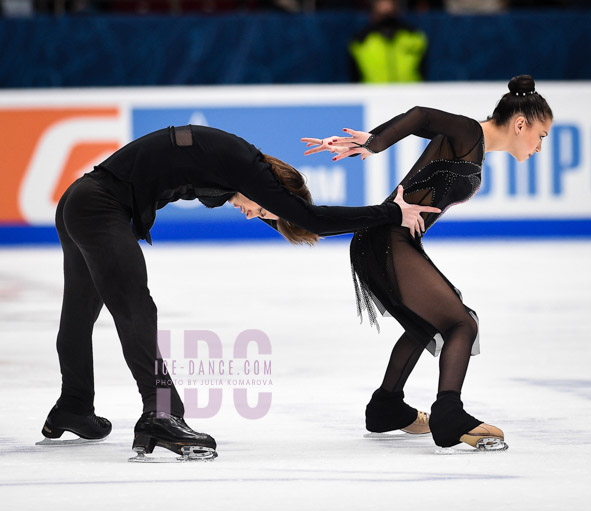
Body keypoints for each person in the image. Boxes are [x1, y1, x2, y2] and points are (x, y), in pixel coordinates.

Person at [41, 124, 438, 459]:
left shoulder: (231, 170)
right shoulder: (249, 168)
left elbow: (295, 217)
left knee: (79, 312)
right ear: (273, 189)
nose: (253, 214)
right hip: (98, 206)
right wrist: (390, 213)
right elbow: (311, 218)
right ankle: (161, 414)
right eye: (264, 210)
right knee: (135, 309)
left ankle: (74, 406)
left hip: (81, 200)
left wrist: (282, 216)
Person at [301, 75, 553, 451]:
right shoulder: (468, 133)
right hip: (385, 238)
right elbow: (420, 115)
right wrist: (375, 142)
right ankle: (449, 414)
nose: (539, 146)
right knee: (460, 323)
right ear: (521, 124)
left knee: (430, 322)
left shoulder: (474, 146)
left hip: (387, 239)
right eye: (542, 136)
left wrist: (375, 140)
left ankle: (386, 406)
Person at [348, 0, 428, 83]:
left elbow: (426, 74)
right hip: (372, 95)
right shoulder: (360, 42)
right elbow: (354, 80)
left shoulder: (416, 37)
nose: (385, 4)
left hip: (413, 94)